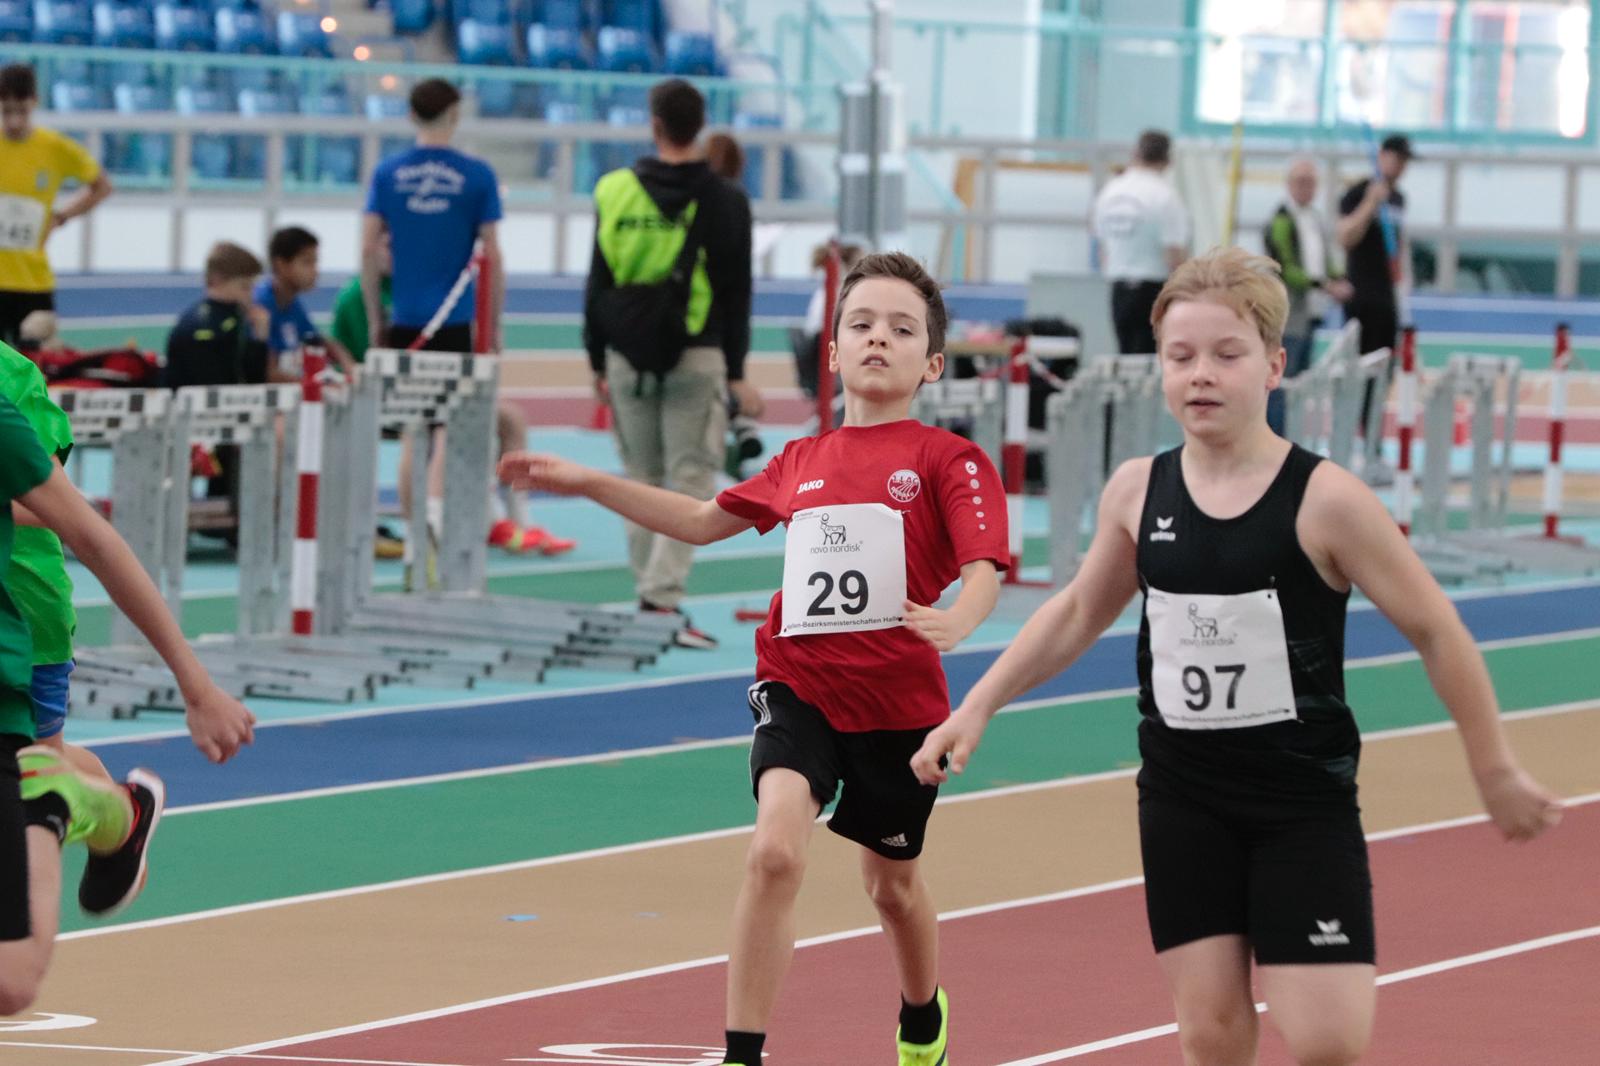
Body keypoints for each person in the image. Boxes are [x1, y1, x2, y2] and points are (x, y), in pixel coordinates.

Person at [910, 248, 1562, 1066]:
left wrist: (1493, 767)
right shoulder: (1138, 490)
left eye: (1227, 355)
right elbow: (1076, 611)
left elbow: (1437, 629)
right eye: (1181, 357)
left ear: (1274, 365)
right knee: (1211, 1036)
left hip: (1301, 803)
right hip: (1185, 798)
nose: (1202, 376)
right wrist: (975, 707)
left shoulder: (1326, 501)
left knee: (1327, 1039)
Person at [504, 252, 1008, 1066]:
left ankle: (922, 1017)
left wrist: (960, 618)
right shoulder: (798, 463)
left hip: (899, 707)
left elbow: (985, 569)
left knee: (891, 887)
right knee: (774, 851)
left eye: (902, 328)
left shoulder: (948, 460)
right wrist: (589, 481)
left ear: (933, 363)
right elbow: (700, 520)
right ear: (833, 352)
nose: (880, 338)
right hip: (799, 683)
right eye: (862, 324)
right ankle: (743, 1054)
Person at [0, 390, 256, 1013]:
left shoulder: (13, 386)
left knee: (10, 979)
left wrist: (197, 687)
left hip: (27, 628)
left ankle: (81, 802)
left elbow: (76, 523)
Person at [583, 79, 760, 647]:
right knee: (690, 478)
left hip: (625, 354)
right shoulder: (726, 198)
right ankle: (659, 599)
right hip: (697, 353)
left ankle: (650, 595)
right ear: (700, 127)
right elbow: (737, 292)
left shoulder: (614, 190)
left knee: (640, 479)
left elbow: (598, 281)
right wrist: (737, 371)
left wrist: (596, 358)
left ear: (654, 125)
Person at [0, 63, 113, 349]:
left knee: (37, 366)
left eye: (21, 111)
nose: (14, 121)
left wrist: (61, 216)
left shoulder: (54, 148)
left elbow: (101, 186)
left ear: (34, 103)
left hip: (33, 283)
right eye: (6, 111)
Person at [1264, 159, 1353, 435]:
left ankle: (1291, 438)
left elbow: (1325, 260)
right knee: (1281, 381)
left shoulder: (1315, 219)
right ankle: (1274, 439)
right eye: (1301, 182)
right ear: (1289, 185)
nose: (1306, 188)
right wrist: (1324, 284)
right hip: (1289, 315)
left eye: (1311, 183)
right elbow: (1285, 267)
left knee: (1301, 382)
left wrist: (1338, 279)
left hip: (1312, 313)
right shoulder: (1281, 220)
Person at [1338, 133, 1412, 439]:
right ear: (1382, 156)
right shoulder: (1356, 193)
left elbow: (1398, 247)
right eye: (1397, 158)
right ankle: (1350, 436)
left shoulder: (1399, 199)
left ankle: (1372, 438)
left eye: (1406, 161)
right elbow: (1345, 237)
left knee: (1385, 372)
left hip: (1388, 299)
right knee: (1358, 372)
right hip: (1361, 298)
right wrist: (1370, 203)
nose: (1402, 166)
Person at [1090, 129, 1188, 355]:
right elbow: (1174, 253)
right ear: (1168, 160)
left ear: (1135, 153)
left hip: (1118, 287)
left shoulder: (1110, 191)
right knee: (1151, 359)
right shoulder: (1165, 195)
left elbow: (1102, 247)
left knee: (1126, 357)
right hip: (1152, 288)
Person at [165, 241, 272, 390]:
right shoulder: (201, 326)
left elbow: (253, 378)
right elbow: (213, 386)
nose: (251, 294)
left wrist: (260, 338)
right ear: (217, 280)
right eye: (245, 287)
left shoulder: (237, 317)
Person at [253, 226, 355, 380]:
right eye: (307, 262)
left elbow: (320, 341)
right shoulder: (261, 304)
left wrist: (349, 366)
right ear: (281, 265)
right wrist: (316, 386)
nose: (315, 271)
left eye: (316, 262)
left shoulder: (293, 305)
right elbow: (267, 372)